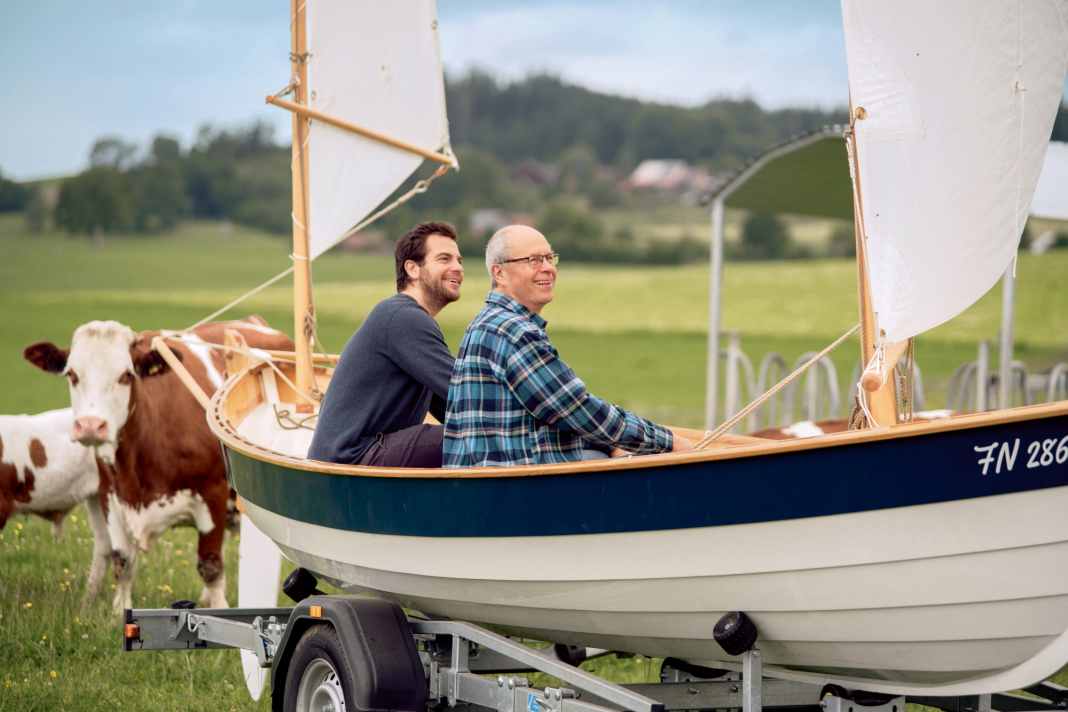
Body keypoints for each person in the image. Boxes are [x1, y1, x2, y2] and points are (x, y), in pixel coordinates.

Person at [443, 224, 693, 467]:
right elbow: (577, 410)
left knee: (604, 455)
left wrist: (611, 445)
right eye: (534, 260)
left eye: (550, 258)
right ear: (499, 273)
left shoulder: (487, 322)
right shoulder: (513, 331)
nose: (548, 268)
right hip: (518, 484)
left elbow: (560, 415)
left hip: (487, 482)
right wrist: (669, 442)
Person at [308, 221, 463, 467]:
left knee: (477, 431)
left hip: (349, 456)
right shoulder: (405, 318)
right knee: (474, 437)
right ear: (412, 269)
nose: (457, 267)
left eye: (459, 260)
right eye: (444, 259)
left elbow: (450, 403)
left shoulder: (403, 316)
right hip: (351, 459)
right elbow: (465, 390)